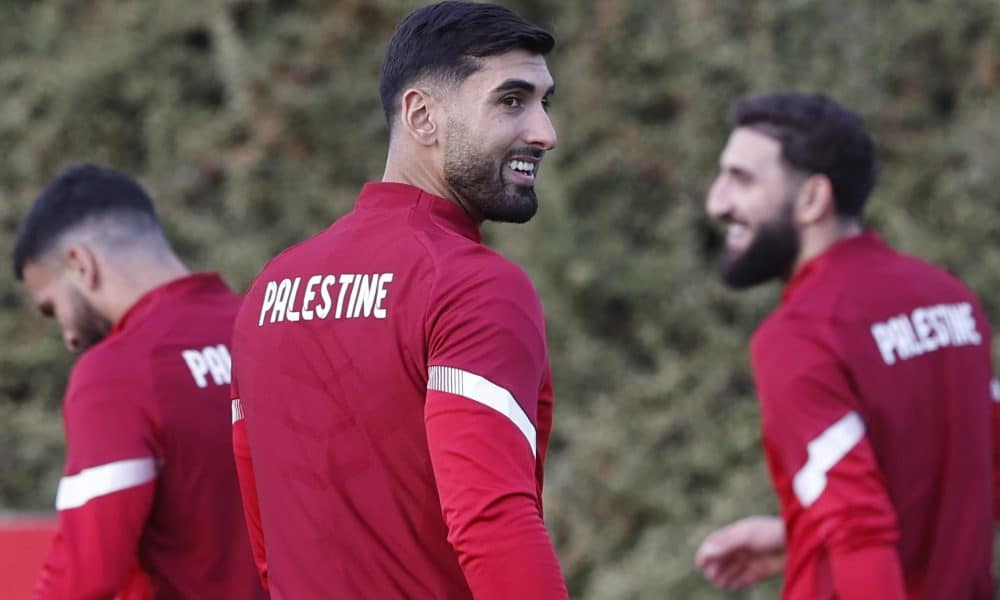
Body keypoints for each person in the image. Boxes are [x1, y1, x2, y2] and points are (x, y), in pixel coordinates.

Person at [228, 1, 568, 598]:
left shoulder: (268, 291)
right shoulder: (474, 284)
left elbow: (266, 545)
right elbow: (491, 521)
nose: (545, 132)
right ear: (421, 115)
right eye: (511, 101)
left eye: (545, 102)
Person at [694, 92, 996, 599]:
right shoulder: (951, 299)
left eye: (741, 179)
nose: (717, 202)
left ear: (813, 199)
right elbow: (968, 481)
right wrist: (801, 535)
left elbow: (862, 533)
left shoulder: (798, 336)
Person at [12, 164, 268, 599]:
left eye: (53, 308)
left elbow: (84, 576)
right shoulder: (267, 328)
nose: (70, 338)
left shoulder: (117, 373)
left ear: (81, 264)